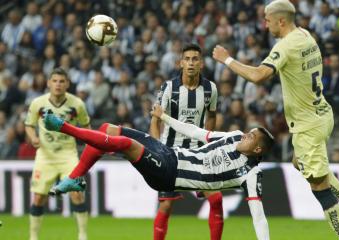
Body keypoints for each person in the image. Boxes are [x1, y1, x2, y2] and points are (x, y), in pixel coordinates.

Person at [212, 0, 339, 238]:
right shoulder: (305, 35)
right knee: (299, 161)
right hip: (322, 113)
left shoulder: (285, 46)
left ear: (281, 21)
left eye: (267, 20)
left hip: (308, 125)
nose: (265, 25)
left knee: (320, 188)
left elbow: (257, 75)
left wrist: (227, 60)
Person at [44, 104, 273, 240]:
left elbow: (259, 215)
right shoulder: (234, 136)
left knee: (124, 143)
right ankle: (75, 178)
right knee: (107, 129)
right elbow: (198, 132)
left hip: (169, 174)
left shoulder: (251, 174)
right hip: (170, 152)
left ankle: (63, 127)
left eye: (250, 137)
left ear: (258, 149)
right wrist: (165, 118)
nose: (245, 136)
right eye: (248, 132)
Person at [149, 43, 222, 240]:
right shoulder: (169, 88)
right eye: (187, 59)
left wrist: (207, 139)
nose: (191, 63)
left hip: (198, 154)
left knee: (216, 199)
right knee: (166, 204)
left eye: (195, 59)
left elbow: (212, 115)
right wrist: (157, 150)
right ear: (181, 63)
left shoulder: (210, 89)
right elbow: (155, 120)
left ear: (202, 64)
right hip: (171, 152)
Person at [25, 68, 90, 240]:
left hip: (68, 155)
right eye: (55, 81)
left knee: (76, 193)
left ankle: (82, 235)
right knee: (38, 197)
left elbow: (87, 127)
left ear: (68, 84)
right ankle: (33, 237)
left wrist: (89, 143)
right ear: (48, 83)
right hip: (45, 156)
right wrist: (33, 138)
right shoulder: (38, 103)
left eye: (62, 81)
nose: (58, 85)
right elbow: (29, 124)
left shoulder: (77, 105)